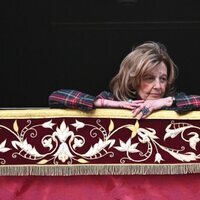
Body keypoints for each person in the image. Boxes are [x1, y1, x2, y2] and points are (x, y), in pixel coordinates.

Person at [48, 41, 200, 119]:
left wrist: (169, 102)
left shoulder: (175, 102)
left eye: (163, 78)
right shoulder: (110, 99)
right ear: (132, 80)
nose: (158, 86)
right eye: (149, 78)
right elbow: (56, 97)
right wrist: (103, 104)